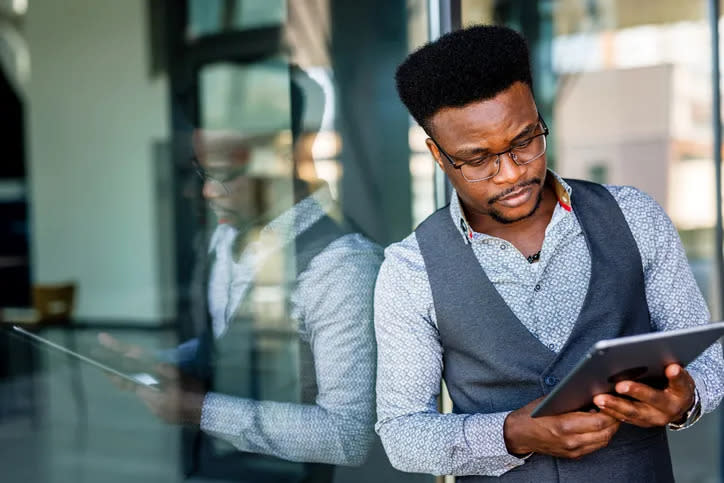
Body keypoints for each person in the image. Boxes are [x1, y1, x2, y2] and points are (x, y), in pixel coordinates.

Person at [374, 25, 724, 482]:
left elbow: (709, 357)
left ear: (539, 117)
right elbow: (403, 435)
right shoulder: (410, 269)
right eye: (478, 159)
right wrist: (512, 433)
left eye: (524, 141)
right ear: (439, 156)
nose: (511, 174)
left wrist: (688, 397)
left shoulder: (634, 216)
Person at [100, 66, 383, 482]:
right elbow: (230, 343)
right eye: (202, 170)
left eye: (223, 172)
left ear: (284, 155)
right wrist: (164, 364)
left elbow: (347, 435)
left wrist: (200, 409)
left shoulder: (342, 266)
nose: (208, 191)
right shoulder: (221, 239)